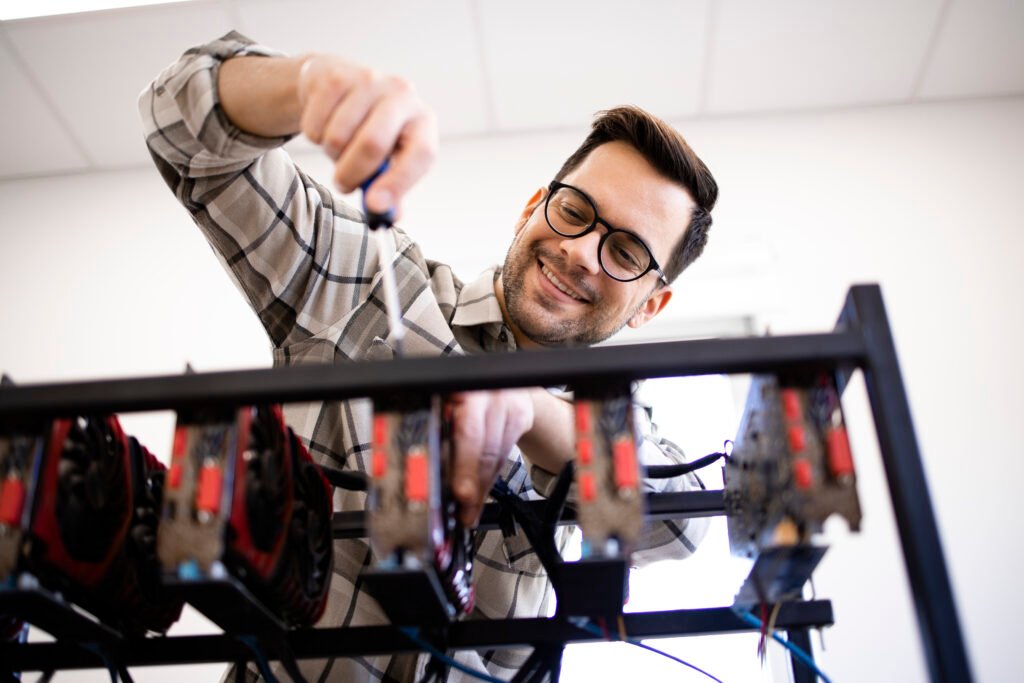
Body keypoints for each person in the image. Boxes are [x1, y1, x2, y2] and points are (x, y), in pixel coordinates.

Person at [140, 31, 718, 682]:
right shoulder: (361, 280)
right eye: (575, 211)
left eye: (626, 252)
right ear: (535, 207)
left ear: (650, 305)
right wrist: (304, 85)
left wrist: (527, 407)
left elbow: (686, 521)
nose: (583, 250)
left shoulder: (609, 419)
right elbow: (180, 128)